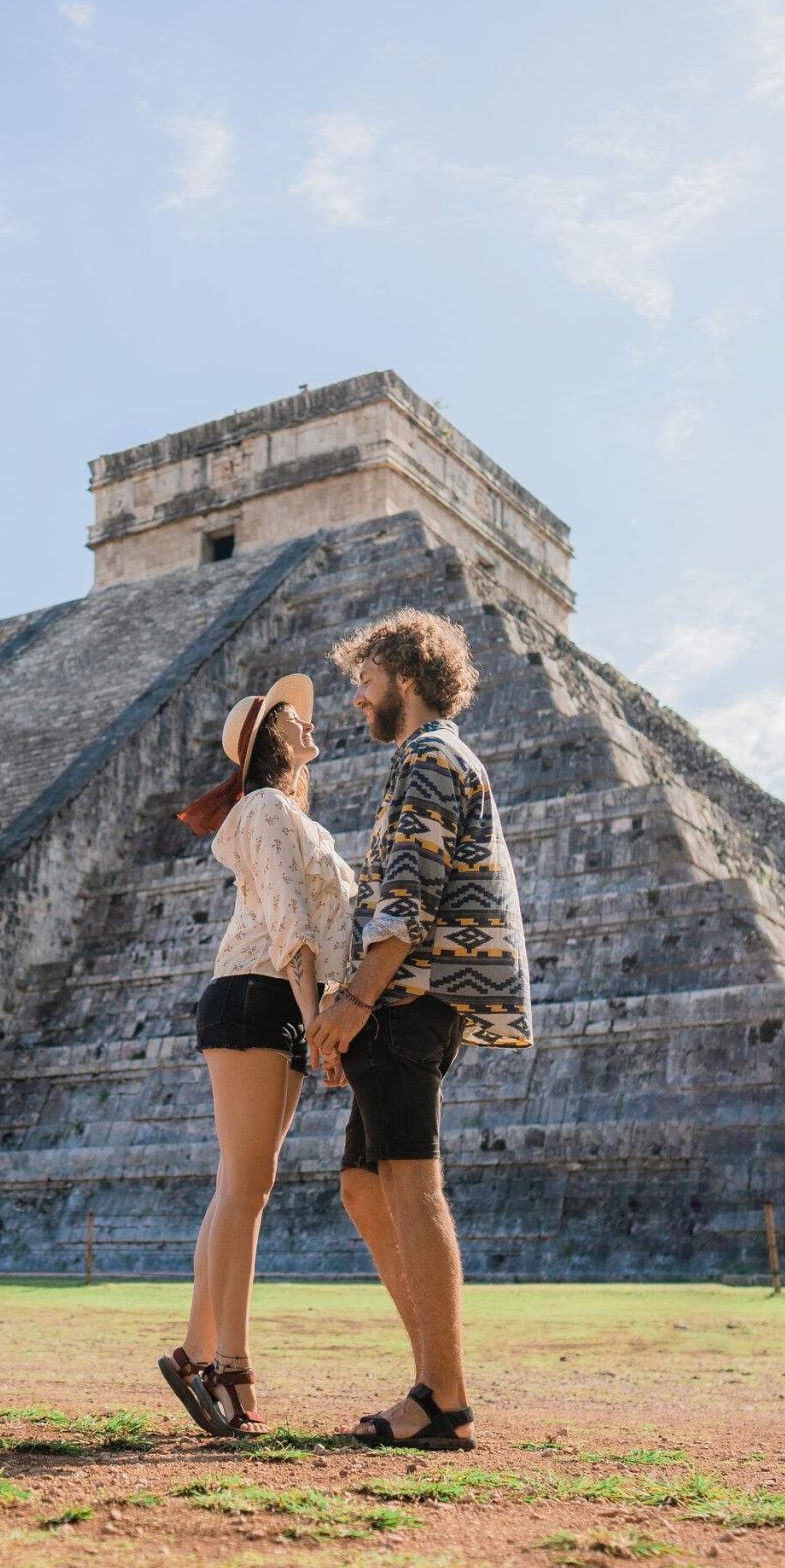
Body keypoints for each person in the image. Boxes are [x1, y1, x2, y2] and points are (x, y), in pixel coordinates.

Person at [305, 610, 532, 1452]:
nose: (356, 699)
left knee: (410, 1185)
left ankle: (444, 1395)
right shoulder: (430, 760)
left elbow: (405, 904)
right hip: (400, 1007)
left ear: (403, 673)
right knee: (364, 1191)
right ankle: (434, 1377)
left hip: (404, 1004)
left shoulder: (429, 758)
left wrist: (353, 1002)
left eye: (364, 680)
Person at [159, 672, 354, 1436]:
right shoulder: (266, 808)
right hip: (254, 991)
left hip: (277, 995)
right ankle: (228, 1366)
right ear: (273, 737)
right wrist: (317, 1018)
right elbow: (287, 913)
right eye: (294, 720)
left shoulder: (290, 814)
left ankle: (195, 1351)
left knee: (245, 1185)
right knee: (244, 1187)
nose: (309, 725)